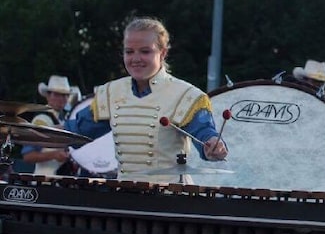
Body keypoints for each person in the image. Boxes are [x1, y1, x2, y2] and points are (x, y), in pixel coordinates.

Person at [64, 17, 228, 184]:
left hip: (172, 197)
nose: (136, 59)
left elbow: (204, 132)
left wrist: (213, 144)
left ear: (163, 53)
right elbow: (75, 131)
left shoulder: (187, 95)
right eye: (129, 51)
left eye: (145, 51)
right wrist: (41, 132)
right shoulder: (111, 93)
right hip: (125, 194)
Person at [20, 75, 76, 176]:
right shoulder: (41, 119)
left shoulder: (65, 118)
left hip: (62, 180)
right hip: (45, 180)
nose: (61, 99)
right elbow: (28, 156)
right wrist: (54, 155)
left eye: (65, 95)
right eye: (57, 94)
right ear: (48, 96)